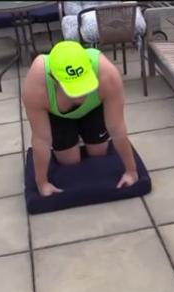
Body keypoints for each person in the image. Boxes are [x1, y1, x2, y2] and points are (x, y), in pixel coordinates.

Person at [22, 40, 138, 196]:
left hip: (93, 108)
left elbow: (117, 129)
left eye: (84, 85)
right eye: (74, 89)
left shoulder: (107, 74)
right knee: (69, 162)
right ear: (54, 79)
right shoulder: (36, 84)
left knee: (99, 154)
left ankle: (88, 135)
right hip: (59, 115)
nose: (81, 94)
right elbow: (41, 139)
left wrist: (131, 171)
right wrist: (42, 183)